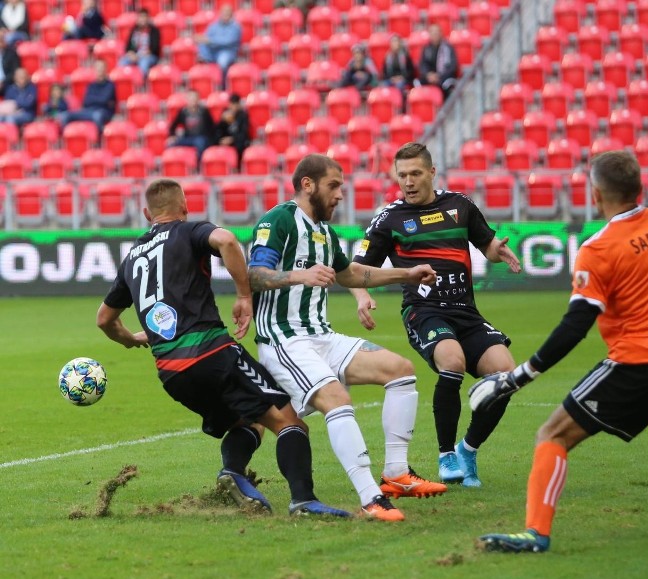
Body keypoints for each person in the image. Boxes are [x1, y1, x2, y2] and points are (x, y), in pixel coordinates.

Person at [471, 150, 648, 553]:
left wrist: (519, 376)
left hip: (641, 364)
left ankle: (535, 533)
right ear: (641, 187)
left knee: (553, 434)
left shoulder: (600, 248)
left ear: (595, 195)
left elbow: (575, 325)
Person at [96, 178, 351, 519]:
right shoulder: (189, 231)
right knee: (290, 422)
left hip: (172, 374)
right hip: (213, 354)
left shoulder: (131, 258)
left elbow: (104, 319)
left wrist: (132, 338)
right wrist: (244, 295)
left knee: (248, 421)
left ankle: (233, 472)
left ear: (146, 213)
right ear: (184, 208)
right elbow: (227, 239)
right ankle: (303, 501)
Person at [248, 153, 447, 522]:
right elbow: (254, 275)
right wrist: (298, 276)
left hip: (322, 335)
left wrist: (407, 274)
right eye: (333, 186)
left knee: (400, 369)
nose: (341, 194)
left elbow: (350, 274)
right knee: (336, 400)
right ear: (308, 185)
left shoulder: (325, 231)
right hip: (285, 339)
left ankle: (396, 475)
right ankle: (371, 498)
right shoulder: (278, 220)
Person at [351, 142, 521, 488]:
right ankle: (446, 454)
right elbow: (355, 269)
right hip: (424, 311)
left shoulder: (460, 206)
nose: (409, 182)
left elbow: (486, 244)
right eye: (402, 175)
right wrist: (362, 295)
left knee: (506, 374)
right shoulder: (390, 218)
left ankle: (467, 449)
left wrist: (496, 250)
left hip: (466, 312)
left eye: (415, 174)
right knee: (452, 361)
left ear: (431, 172)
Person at [59, 60, 116, 132]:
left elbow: (104, 100)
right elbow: (86, 101)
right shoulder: (91, 85)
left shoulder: (110, 85)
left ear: (106, 69)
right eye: (98, 68)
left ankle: (99, 141)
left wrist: (94, 99)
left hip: (103, 111)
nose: (100, 71)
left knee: (97, 116)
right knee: (65, 116)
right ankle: (68, 139)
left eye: (101, 68)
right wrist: (98, 99)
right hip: (88, 111)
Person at [167, 90, 216, 164]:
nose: (193, 100)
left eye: (194, 98)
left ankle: (198, 165)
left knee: (201, 143)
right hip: (188, 138)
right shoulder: (183, 112)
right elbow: (173, 125)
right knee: (170, 144)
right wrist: (172, 135)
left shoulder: (204, 111)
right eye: (190, 98)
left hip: (201, 137)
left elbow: (212, 127)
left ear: (198, 99)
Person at [196, 5, 241, 84]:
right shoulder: (214, 26)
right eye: (223, 13)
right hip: (213, 50)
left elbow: (228, 42)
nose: (225, 15)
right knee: (202, 45)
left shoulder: (235, 27)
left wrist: (211, 41)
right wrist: (204, 40)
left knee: (222, 62)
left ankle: (222, 84)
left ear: (231, 15)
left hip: (227, 51)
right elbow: (206, 37)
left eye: (227, 13)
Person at [418, 24, 458, 100]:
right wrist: (428, 75)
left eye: (436, 33)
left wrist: (439, 76)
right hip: (429, 77)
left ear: (441, 34)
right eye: (432, 33)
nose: (434, 35)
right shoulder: (426, 48)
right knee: (418, 84)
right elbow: (422, 64)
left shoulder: (448, 48)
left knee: (445, 85)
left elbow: (452, 66)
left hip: (444, 77)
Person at [119, 8, 161, 79]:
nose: (143, 19)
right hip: (135, 55)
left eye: (144, 17)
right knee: (122, 62)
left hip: (148, 56)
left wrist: (141, 55)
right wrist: (131, 54)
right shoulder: (134, 30)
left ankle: (141, 85)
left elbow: (155, 48)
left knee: (144, 63)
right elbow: (128, 47)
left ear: (148, 18)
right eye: (141, 17)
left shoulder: (154, 31)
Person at [215, 93, 250, 170]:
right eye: (231, 104)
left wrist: (232, 139)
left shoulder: (243, 115)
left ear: (238, 104)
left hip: (238, 140)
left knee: (240, 145)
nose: (233, 107)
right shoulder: (225, 113)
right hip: (227, 138)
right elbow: (219, 129)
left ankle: (237, 168)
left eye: (235, 104)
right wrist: (222, 121)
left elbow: (244, 133)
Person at [381, 34, 415, 100]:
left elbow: (411, 70)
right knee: (384, 85)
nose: (395, 44)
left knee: (399, 85)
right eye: (393, 42)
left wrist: (401, 77)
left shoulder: (405, 56)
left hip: (403, 78)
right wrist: (392, 78)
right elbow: (384, 72)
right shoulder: (388, 57)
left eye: (396, 41)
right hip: (391, 79)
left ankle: (399, 103)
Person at [0, 32, 21, 96]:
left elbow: (15, 71)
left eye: (1, 40)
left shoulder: (11, 53)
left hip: (7, 83)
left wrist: (3, 82)